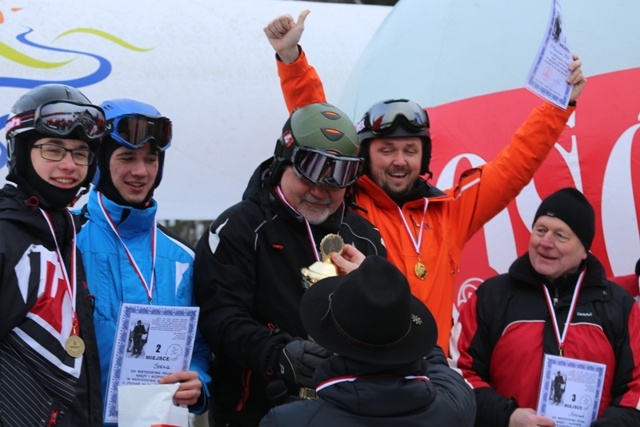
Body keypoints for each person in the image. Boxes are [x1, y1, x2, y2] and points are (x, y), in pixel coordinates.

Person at [264, 11, 587, 352]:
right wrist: (291, 59)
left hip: (429, 375)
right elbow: (321, 130)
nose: (400, 161)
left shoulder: (450, 211)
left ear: (424, 157)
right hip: (365, 368)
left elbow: (515, 164)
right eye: (387, 150)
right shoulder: (348, 203)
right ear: (365, 157)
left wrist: (559, 104)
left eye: (410, 150)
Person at [193, 102, 387, 427]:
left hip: (348, 412)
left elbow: (391, 323)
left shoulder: (364, 236)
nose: (320, 191)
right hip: (256, 412)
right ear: (283, 161)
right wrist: (277, 355)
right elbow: (220, 317)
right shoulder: (240, 227)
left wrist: (377, 289)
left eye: (337, 178)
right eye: (308, 173)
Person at [451, 188, 640, 426]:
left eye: (561, 235)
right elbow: (459, 375)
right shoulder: (491, 297)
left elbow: (636, 390)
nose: (545, 242)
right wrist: (507, 416)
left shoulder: (619, 306)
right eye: (540, 230)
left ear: (584, 250)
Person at [74, 99, 212, 422]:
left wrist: (198, 381)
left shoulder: (181, 259)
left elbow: (199, 347)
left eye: (151, 159)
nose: (141, 171)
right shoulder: (66, 240)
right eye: (126, 158)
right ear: (99, 162)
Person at [259, 255, 476, 426]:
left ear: (331, 345)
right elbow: (438, 366)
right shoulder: (455, 408)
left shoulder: (287, 421)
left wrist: (365, 287)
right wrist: (387, 296)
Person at [0, 83, 104, 425]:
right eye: (53, 150)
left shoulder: (64, 231)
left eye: (80, 153)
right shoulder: (7, 234)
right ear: (22, 151)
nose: (69, 165)